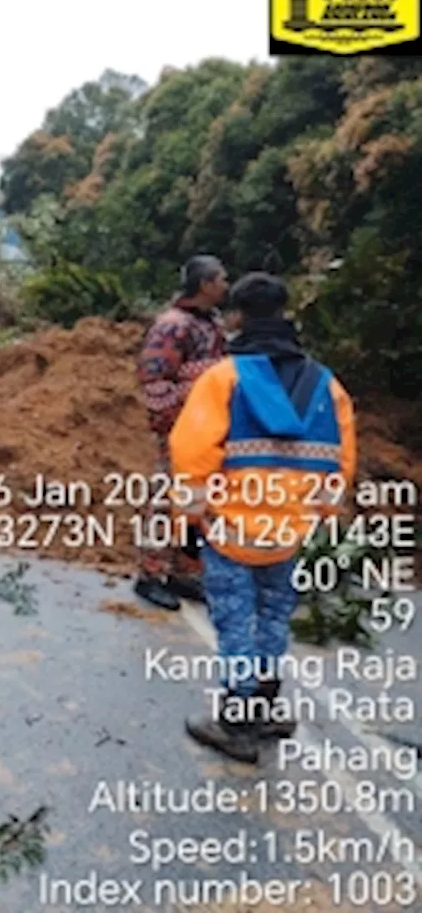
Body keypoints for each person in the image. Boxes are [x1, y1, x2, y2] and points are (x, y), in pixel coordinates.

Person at [169, 272, 356, 763]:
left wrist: (187, 524)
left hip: (229, 531)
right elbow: (340, 463)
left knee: (234, 622)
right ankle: (267, 706)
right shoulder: (326, 385)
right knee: (273, 617)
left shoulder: (222, 380)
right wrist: (318, 516)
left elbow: (192, 460)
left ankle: (236, 722)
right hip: (287, 534)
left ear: (236, 318)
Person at [133, 255, 229, 610]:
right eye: (221, 279)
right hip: (179, 427)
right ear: (205, 284)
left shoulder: (212, 323)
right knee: (164, 500)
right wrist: (186, 398)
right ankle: (151, 574)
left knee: (195, 503)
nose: (225, 286)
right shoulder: (172, 326)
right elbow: (154, 381)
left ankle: (181, 572)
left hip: (208, 428)